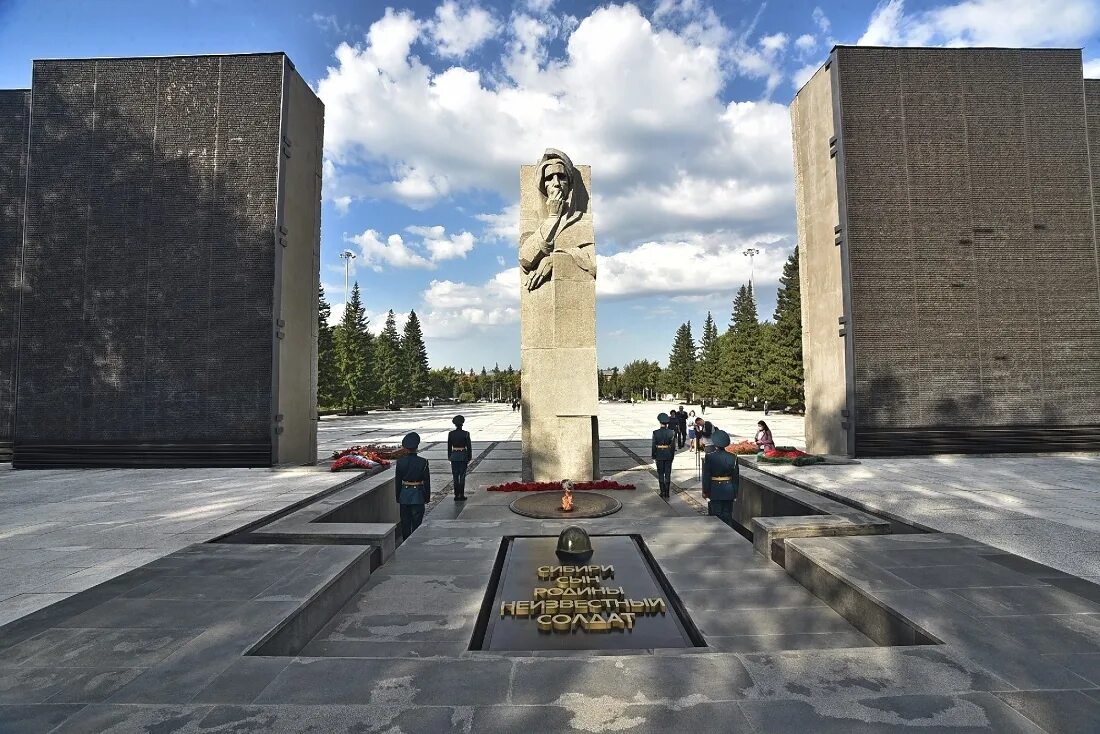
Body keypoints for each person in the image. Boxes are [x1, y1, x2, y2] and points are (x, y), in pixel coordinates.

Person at [395, 432, 431, 538]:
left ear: (405, 447)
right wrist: (427, 497)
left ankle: (405, 544)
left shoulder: (400, 462)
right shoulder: (423, 462)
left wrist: (398, 497)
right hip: (418, 495)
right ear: (417, 446)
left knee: (405, 523)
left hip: (404, 495)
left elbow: (398, 481)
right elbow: (426, 481)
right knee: (417, 524)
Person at [702, 430, 739, 528]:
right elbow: (735, 478)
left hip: (714, 489)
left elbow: (706, 476)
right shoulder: (733, 457)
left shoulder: (709, 457)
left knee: (715, 516)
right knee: (727, 515)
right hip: (729, 490)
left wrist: (705, 491)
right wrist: (735, 492)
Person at [651, 412, 676, 499]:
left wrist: (653, 456)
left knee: (661, 474)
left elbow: (654, 445)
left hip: (659, 455)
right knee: (668, 474)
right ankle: (667, 493)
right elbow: (673, 446)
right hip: (668, 454)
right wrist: (672, 456)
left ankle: (662, 492)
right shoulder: (671, 432)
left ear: (660, 422)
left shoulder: (655, 432)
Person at [448, 415, 472, 501]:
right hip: (463, 456)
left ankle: (456, 495)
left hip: (454, 456)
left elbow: (449, 447)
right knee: (462, 476)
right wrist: (469, 457)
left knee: (455, 476)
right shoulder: (466, 433)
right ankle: (461, 494)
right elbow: (469, 447)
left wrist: (450, 457)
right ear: (462, 423)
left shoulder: (451, 434)